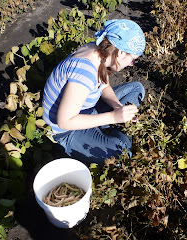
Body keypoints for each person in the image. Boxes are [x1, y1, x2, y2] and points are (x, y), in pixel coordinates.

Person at [42, 19, 146, 164]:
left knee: (137, 89)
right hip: (66, 131)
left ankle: (109, 129)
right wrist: (114, 118)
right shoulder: (86, 70)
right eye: (132, 60)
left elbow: (104, 86)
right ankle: (111, 131)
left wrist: (117, 107)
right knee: (122, 152)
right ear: (121, 52)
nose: (131, 64)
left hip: (85, 110)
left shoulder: (97, 50)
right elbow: (64, 122)